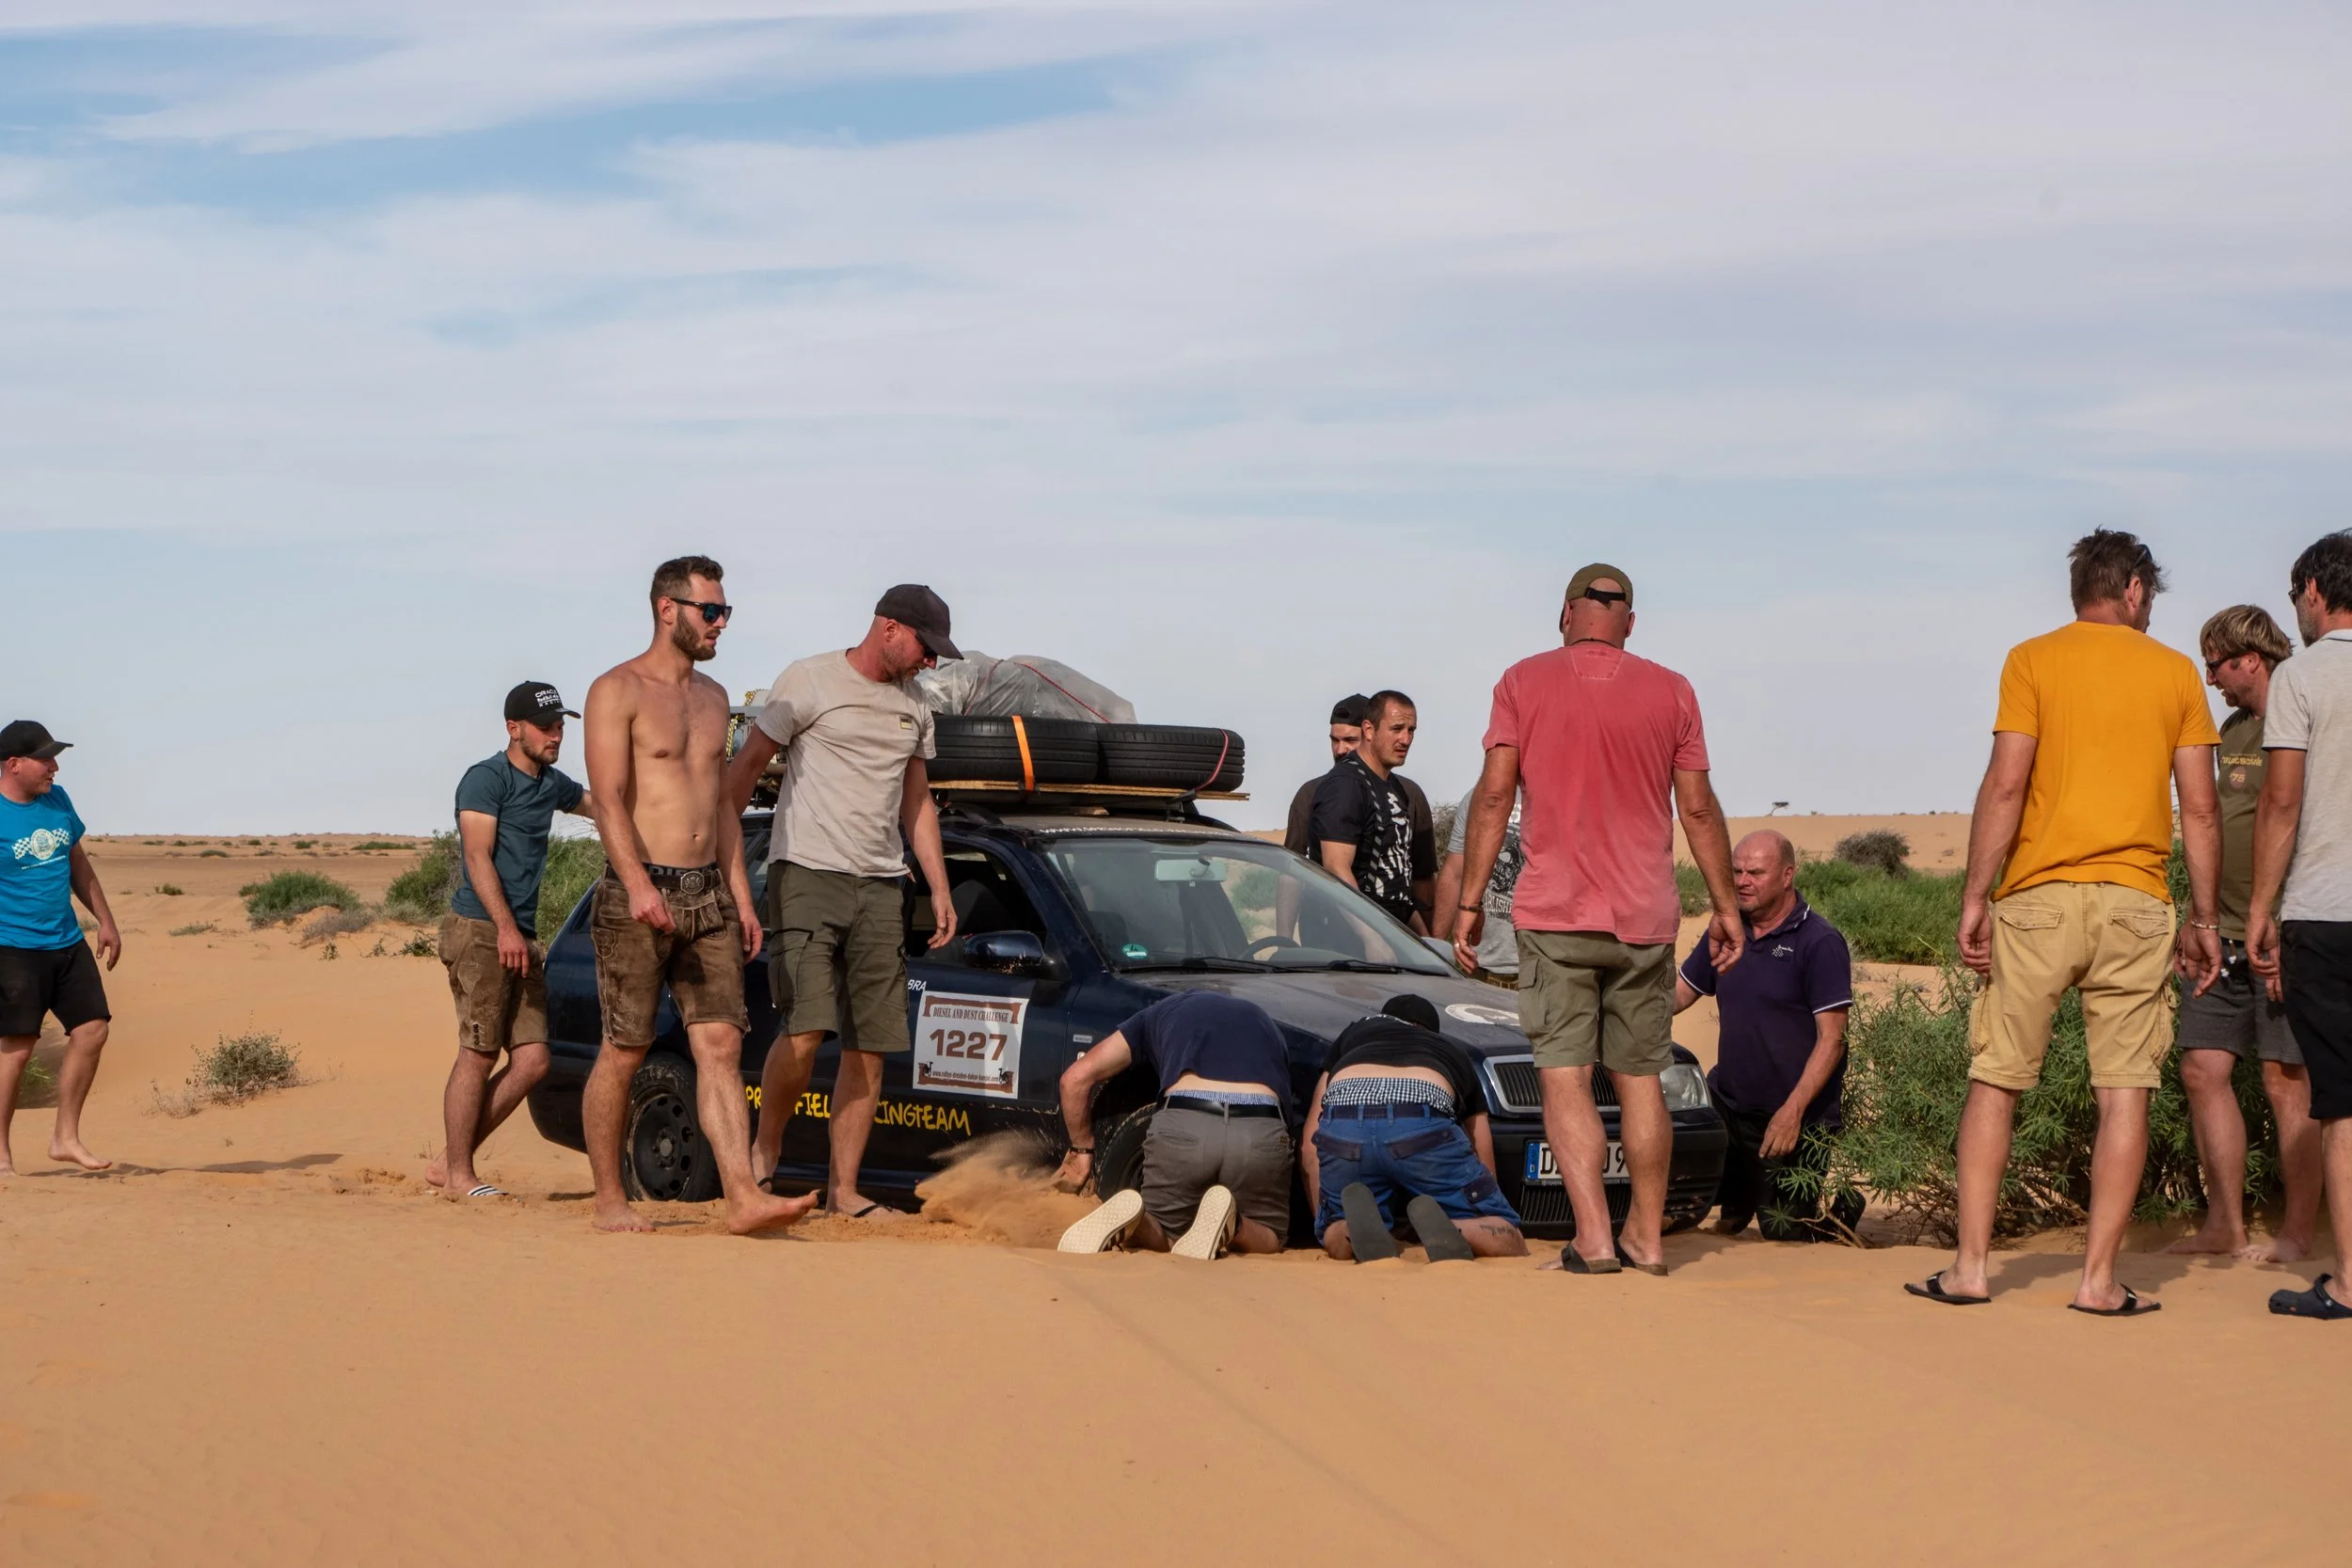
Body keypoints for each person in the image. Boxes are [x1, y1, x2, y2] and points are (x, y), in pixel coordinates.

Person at [1908, 531, 2220, 1314]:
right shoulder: (2176, 672)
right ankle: (2098, 1281)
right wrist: (2206, 917)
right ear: (2135, 589)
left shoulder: (2032, 660)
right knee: (2125, 1091)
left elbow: (2005, 783)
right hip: (2135, 904)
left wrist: (1975, 894)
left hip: (2039, 900)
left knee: (1997, 1078)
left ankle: (1971, 1268)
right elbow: (2201, 807)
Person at [1454, 564, 1742, 1275]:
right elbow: (1697, 807)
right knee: (1641, 1077)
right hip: (1644, 918)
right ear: (1629, 624)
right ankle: (1646, 1236)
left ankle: (1593, 1239)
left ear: (1566, 614)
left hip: (1556, 917)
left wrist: (1468, 902)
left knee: (1565, 1076)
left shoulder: (1521, 681)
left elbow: (1493, 796)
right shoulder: (1673, 689)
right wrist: (1727, 906)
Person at [580, 556, 813, 1236]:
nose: (721, 623)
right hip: (637, 894)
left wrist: (742, 897)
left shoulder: (714, 698)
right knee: (625, 1049)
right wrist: (637, 885)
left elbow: (721, 812)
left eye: (725, 611)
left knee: (719, 1046)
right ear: (667, 610)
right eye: (710, 611)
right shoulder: (615, 690)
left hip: (707, 893)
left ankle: (742, 1196)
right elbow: (609, 802)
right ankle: (608, 1200)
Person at [729, 584, 961, 1219]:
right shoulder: (808, 679)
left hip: (882, 885)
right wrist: (724, 863)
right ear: (889, 628)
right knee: (805, 1031)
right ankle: (764, 1153)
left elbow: (917, 801)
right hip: (805, 874)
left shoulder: (915, 706)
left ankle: (845, 1192)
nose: (930, 662)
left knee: (870, 1046)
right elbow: (745, 770)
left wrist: (939, 886)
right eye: (925, 647)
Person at [2165, 606, 2319, 1261]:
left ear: (2250, 659)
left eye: (2218, 665)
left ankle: (2299, 1233)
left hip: (2281, 935)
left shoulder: (2300, 714)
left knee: (2287, 1081)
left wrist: (2283, 917)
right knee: (2202, 1069)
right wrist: (2193, 915)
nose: (2211, 678)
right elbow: (2212, 823)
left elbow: (2304, 823)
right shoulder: (2230, 730)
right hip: (2219, 933)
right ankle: (2224, 1225)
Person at [424, 682, 598, 1202]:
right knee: (477, 1054)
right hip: (480, 929)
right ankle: (459, 1176)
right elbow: (477, 856)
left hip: (518, 934)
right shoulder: (486, 779)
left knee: (533, 1060)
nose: (555, 736)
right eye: (545, 727)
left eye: (560, 726)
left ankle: (448, 1162)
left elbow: (601, 806)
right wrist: (505, 928)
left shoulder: (552, 783)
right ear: (513, 728)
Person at [2249, 531, 2352, 1320]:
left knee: (2342, 1101)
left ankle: (2348, 1283)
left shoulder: (2302, 674)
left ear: (2316, 590)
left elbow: (2281, 801)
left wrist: (2259, 907)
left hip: (2326, 910)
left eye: (2296, 597)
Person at [1674, 831, 1863, 1242]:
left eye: (1756, 873)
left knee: (1785, 1233)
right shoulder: (1729, 930)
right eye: (1737, 871)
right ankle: (1736, 1201)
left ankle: (1841, 1211)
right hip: (1729, 1105)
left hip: (1795, 1116)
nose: (1743, 881)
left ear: (1787, 875)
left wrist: (1793, 1111)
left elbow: (1832, 1039)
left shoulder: (1819, 941)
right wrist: (1622, 1011)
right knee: (1682, 1187)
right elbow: (1681, 992)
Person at [1053, 992, 1295, 1259]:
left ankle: (1136, 1221)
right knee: (1271, 1236)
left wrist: (1082, 1150)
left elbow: (1074, 1079)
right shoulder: (1266, 1022)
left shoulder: (1158, 1014)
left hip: (1185, 1120)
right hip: (1259, 1125)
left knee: (1165, 1232)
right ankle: (1234, 1224)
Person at [1302, 994, 1526, 1261]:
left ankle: (1346, 1230)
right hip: (1419, 1116)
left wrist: (1323, 1219)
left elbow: (1310, 1139)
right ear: (1430, 1032)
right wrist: (1487, 1204)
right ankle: (1456, 1229)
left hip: (1346, 1116)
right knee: (1510, 1237)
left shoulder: (1356, 1033)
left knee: (1337, 1223)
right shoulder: (1449, 1049)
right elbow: (1480, 1141)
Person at [0, 721, 119, 1177]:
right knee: (18, 1047)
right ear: (14, 764)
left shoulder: (58, 801)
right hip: (13, 947)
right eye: (45, 759)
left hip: (66, 941)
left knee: (93, 1030)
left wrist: (105, 921)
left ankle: (64, 1138)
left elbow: (77, 862)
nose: (54, 767)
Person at [1306, 690, 1436, 932]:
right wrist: (1371, 938)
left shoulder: (1395, 787)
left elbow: (1397, 882)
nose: (1406, 739)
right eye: (1396, 729)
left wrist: (1423, 940)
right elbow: (1336, 868)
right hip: (1345, 935)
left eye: (1411, 730)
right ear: (1368, 729)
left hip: (1391, 929)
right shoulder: (1346, 785)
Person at [1434, 781, 1522, 986]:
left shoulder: (1555, 796)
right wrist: (1435, 949)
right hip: (1477, 966)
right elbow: (1455, 872)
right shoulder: (1477, 798)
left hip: (1539, 969)